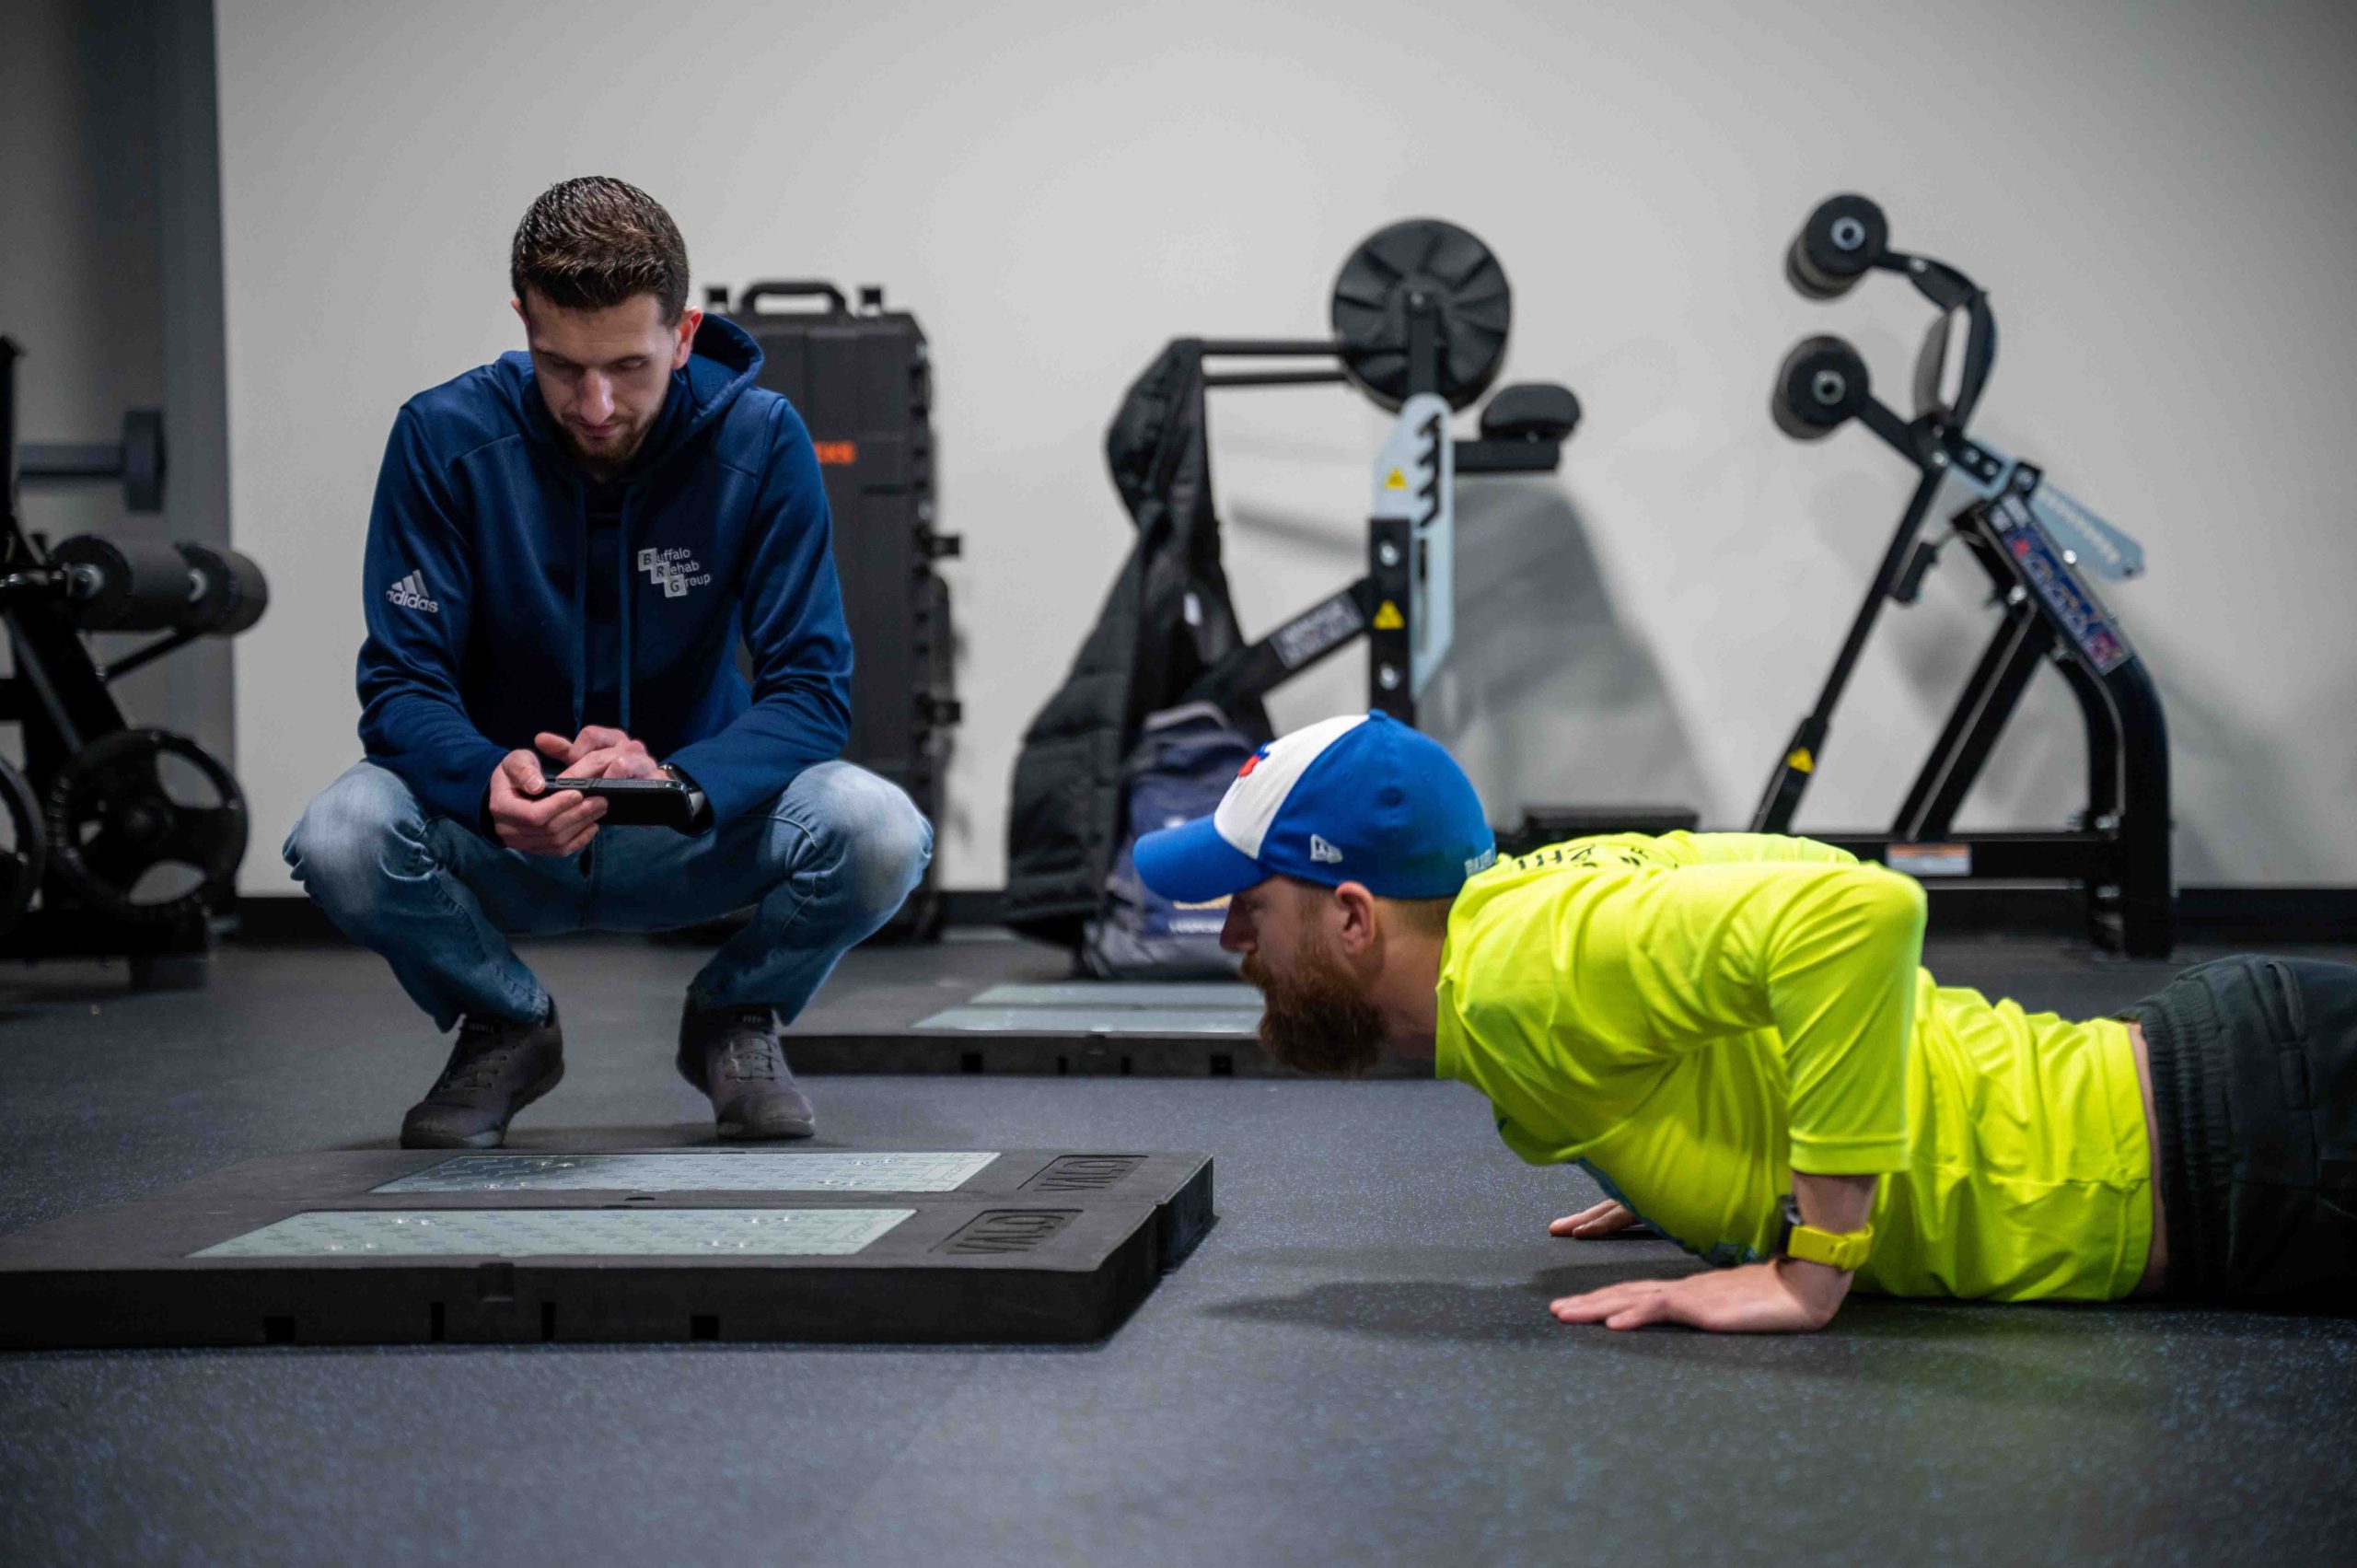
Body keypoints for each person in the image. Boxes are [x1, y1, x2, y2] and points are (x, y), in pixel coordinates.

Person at [1133, 711, 2357, 1332]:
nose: (1234, 938)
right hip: (2229, 1095)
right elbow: (1787, 880)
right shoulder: (1528, 907)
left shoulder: (1523, 977)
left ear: (1354, 918)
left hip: (2257, 1152)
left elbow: (1855, 912)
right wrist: (1708, 1141)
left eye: (1251, 904)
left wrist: (1812, 1262)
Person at [284, 177, 930, 1150]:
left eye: (629, 365)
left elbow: (810, 692)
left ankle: (734, 1013)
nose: (595, 405)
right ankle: (505, 1020)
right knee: (339, 833)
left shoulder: (761, 439)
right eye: (561, 366)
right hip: (509, 832)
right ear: (523, 323)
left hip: (691, 826)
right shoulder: (441, 436)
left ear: (684, 333)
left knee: (881, 830)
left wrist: (675, 782)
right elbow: (401, 684)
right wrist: (483, 778)